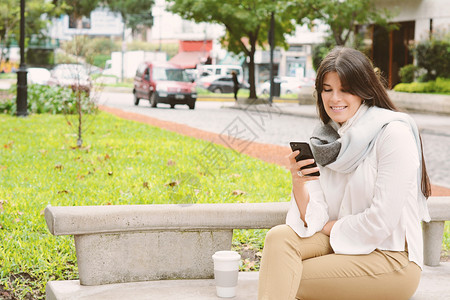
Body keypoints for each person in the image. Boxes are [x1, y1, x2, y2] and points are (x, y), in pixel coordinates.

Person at [257, 46, 431, 300]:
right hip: (340, 242)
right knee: (279, 237)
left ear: (364, 90)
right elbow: (313, 219)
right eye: (327, 90)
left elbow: (380, 221)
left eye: (345, 89)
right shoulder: (326, 140)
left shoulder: (393, 134)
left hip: (391, 258)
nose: (334, 99)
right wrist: (299, 183)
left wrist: (331, 227)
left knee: (285, 274)